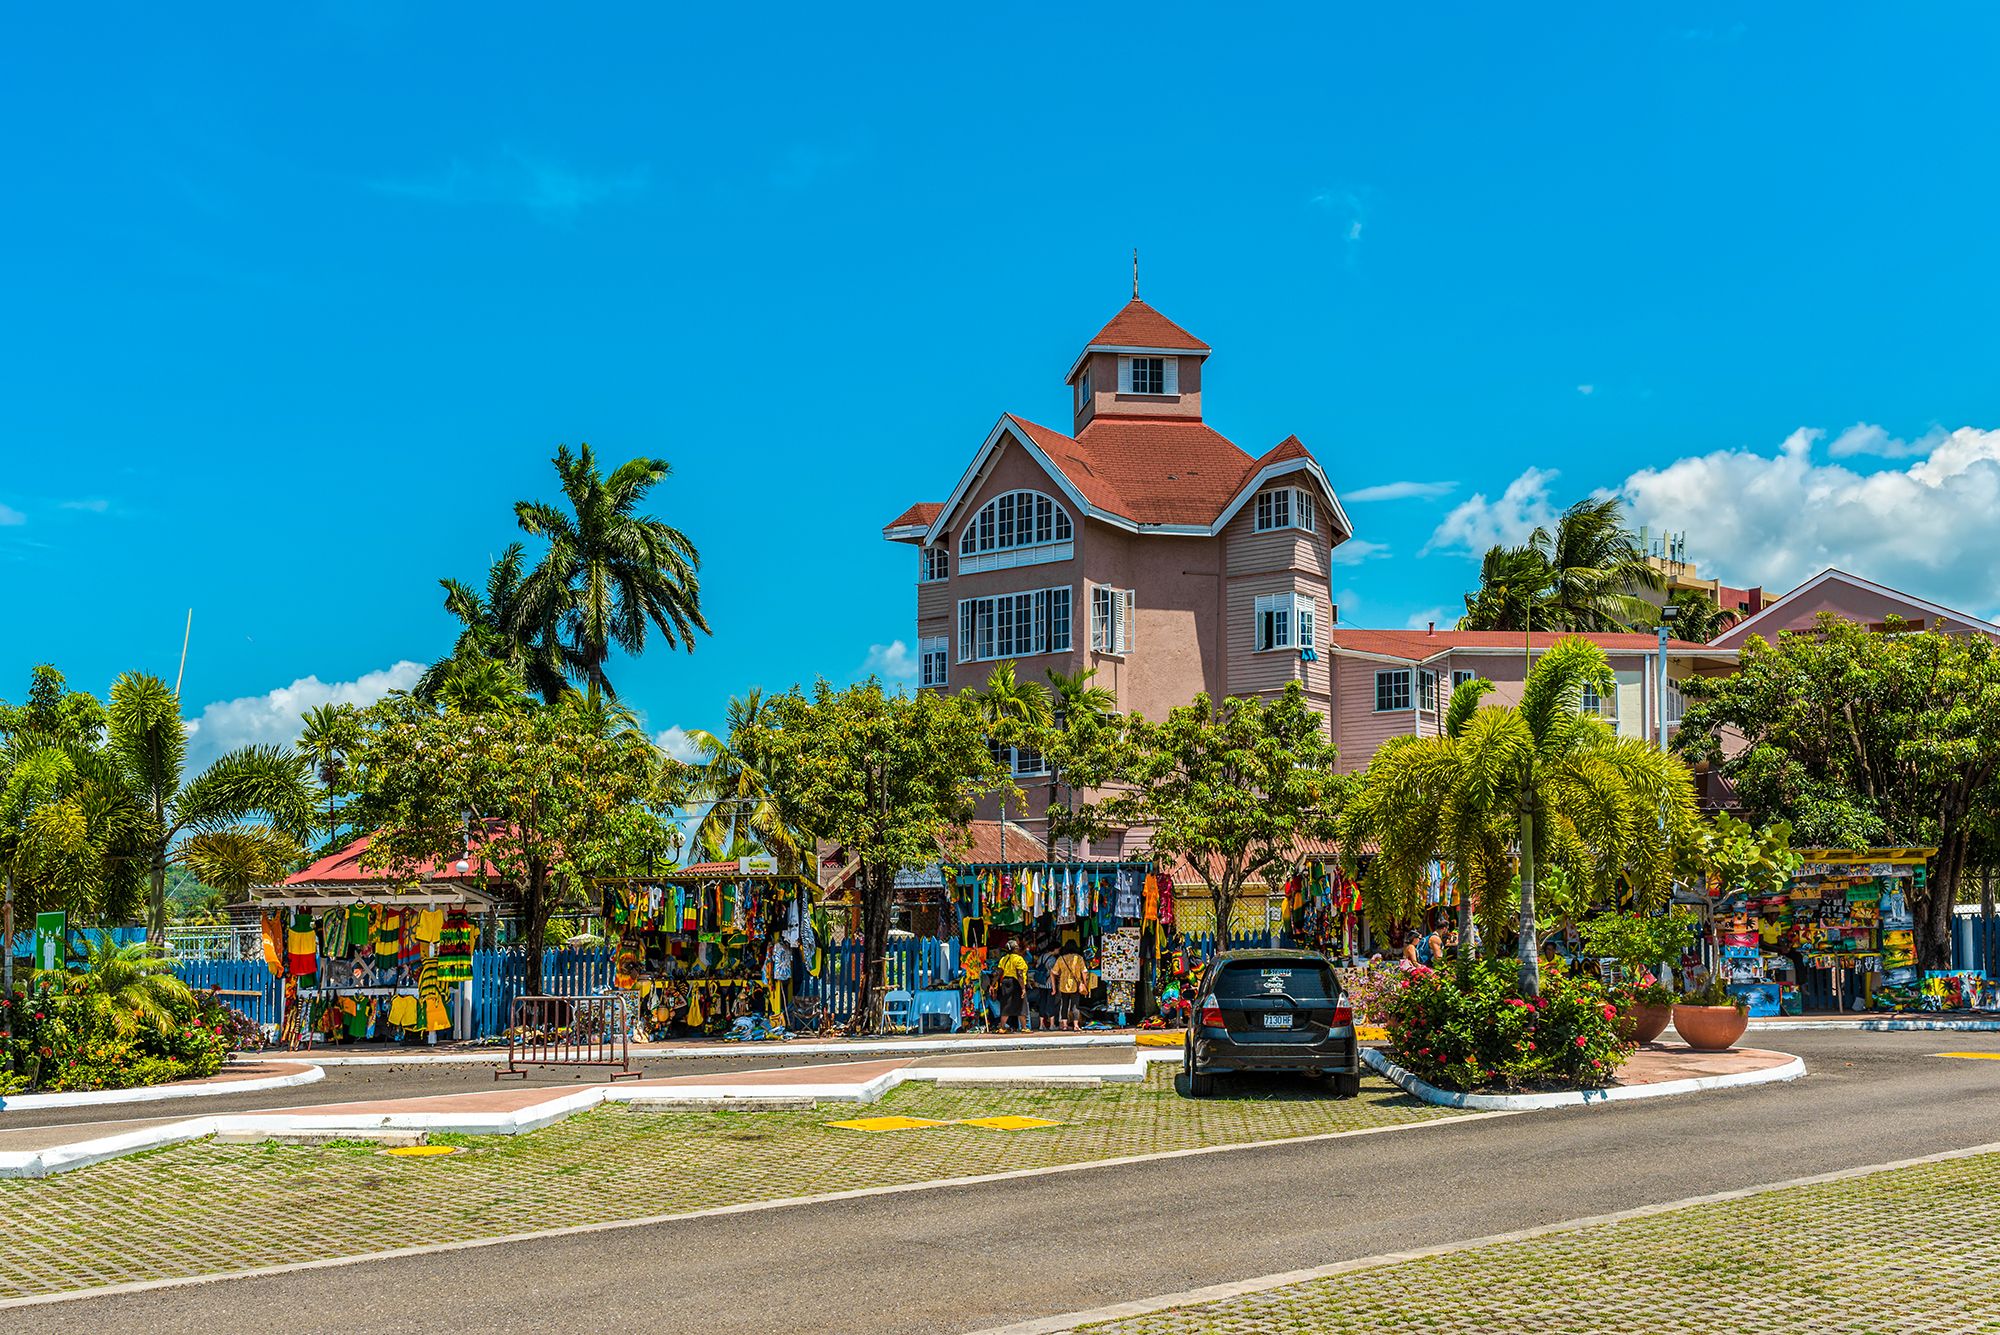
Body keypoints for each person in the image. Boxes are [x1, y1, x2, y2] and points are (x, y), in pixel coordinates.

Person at [1051, 944, 1091, 1031]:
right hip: (1075, 986)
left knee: (1064, 1005)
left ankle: (1064, 1025)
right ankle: (1076, 1025)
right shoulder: (1079, 958)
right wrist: (1085, 984)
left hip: (1063, 985)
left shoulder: (1061, 958)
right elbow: (1084, 972)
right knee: (1075, 1005)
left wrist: (1054, 987)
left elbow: (1054, 972)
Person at [994, 939, 1029, 1033]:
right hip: (1016, 983)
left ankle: (1002, 1027)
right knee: (1021, 1005)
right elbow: (1020, 974)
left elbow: (999, 973)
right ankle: (1024, 1027)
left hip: (1005, 983)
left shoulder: (1004, 959)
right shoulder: (1018, 959)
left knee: (1006, 1005)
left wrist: (992, 985)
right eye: (1017, 946)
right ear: (1015, 949)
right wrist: (1023, 988)